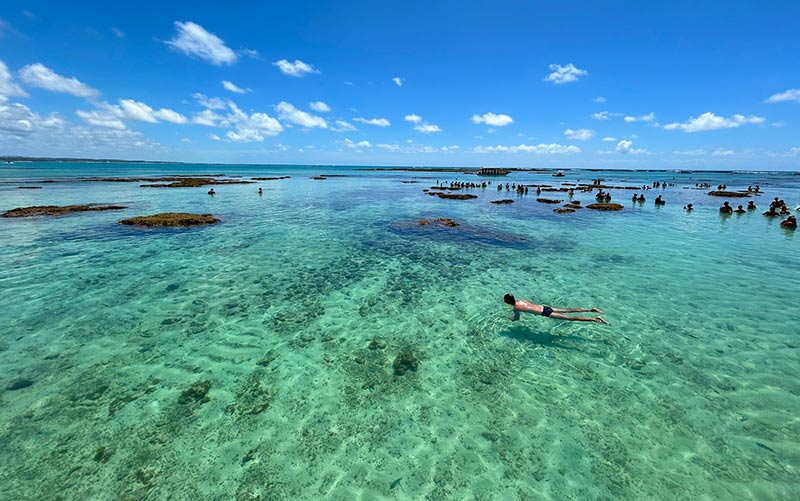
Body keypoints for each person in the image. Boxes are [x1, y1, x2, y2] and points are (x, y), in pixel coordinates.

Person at [504, 294, 608, 324]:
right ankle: (590, 310)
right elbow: (531, 305)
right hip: (544, 307)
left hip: (544, 312)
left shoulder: (516, 308)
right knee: (568, 310)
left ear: (508, 301)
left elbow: (517, 319)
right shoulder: (521, 300)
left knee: (569, 318)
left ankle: (595, 319)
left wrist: (510, 319)